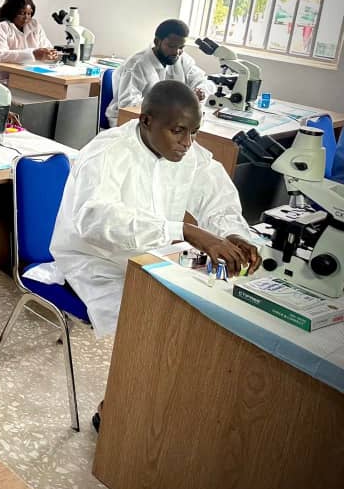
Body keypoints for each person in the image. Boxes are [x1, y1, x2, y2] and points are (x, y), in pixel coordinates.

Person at [51, 80, 260, 341]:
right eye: (178, 131)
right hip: (96, 261)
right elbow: (96, 221)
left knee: (210, 310)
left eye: (194, 132)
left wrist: (234, 234)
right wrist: (184, 231)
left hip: (154, 255)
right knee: (150, 325)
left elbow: (218, 201)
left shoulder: (188, 154)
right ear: (147, 121)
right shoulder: (107, 152)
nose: (187, 142)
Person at [106, 18, 213, 127]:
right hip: (130, 123)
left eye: (181, 47)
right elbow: (128, 106)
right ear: (157, 42)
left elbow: (205, 82)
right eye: (171, 46)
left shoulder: (181, 59)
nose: (176, 52)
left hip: (166, 120)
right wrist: (173, 102)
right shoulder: (136, 65)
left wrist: (200, 92)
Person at [0, 0, 59, 79]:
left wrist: (50, 54)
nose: (26, 17)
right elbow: (0, 56)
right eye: (22, 13)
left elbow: (46, 47)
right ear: (11, 12)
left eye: (29, 14)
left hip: (23, 75)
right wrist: (33, 54)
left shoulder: (35, 26)